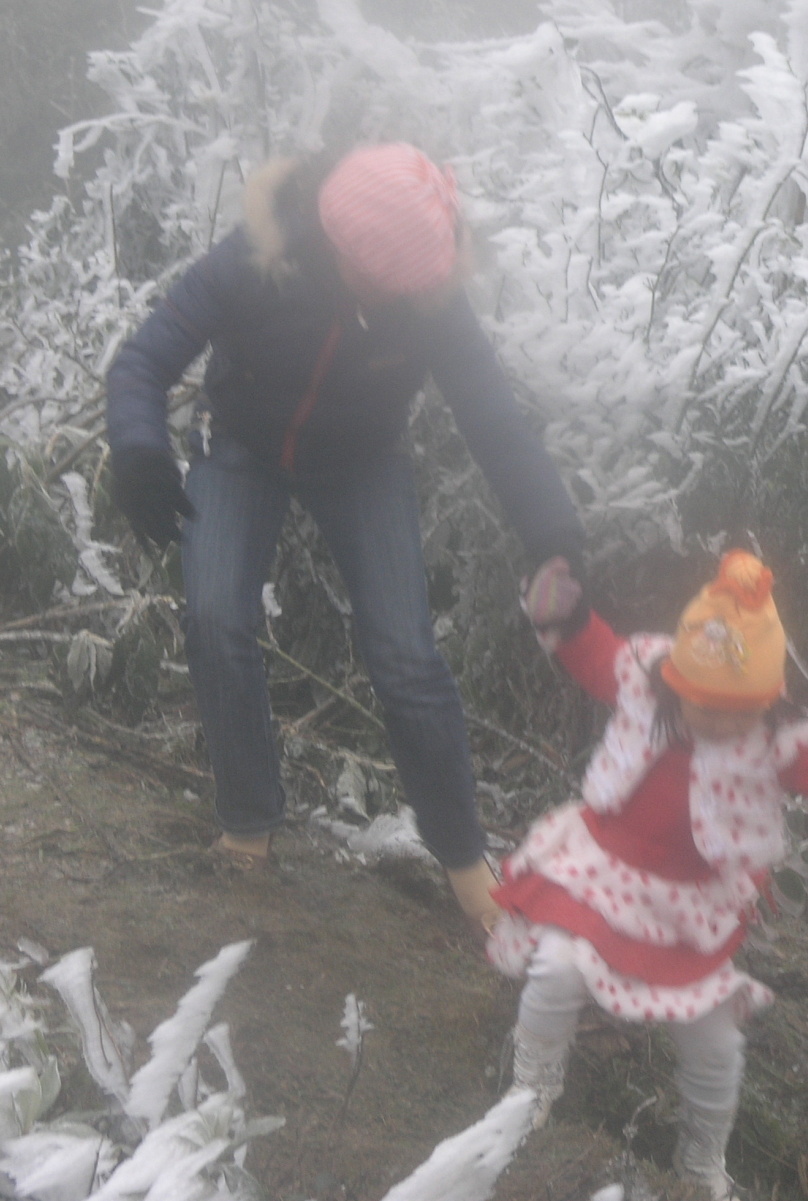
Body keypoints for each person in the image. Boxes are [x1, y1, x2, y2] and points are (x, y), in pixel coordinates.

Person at [104, 143, 583, 932]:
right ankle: (247, 827)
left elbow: (493, 418)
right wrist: (140, 452)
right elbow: (145, 361)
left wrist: (554, 536)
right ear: (334, 244)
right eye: (377, 277)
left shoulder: (428, 292)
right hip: (243, 447)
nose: (391, 296)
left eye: (407, 284)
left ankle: (465, 861)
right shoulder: (260, 257)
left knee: (405, 654)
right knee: (217, 616)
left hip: (362, 462)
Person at [493, 548, 808, 1198]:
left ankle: (702, 1162)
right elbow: (595, 654)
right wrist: (565, 617)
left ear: (767, 703)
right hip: (602, 871)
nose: (714, 721)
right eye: (701, 704)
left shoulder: (778, 739)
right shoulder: (642, 676)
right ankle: (531, 1090)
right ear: (675, 681)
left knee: (716, 1043)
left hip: (690, 908)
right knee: (557, 967)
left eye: (735, 711)